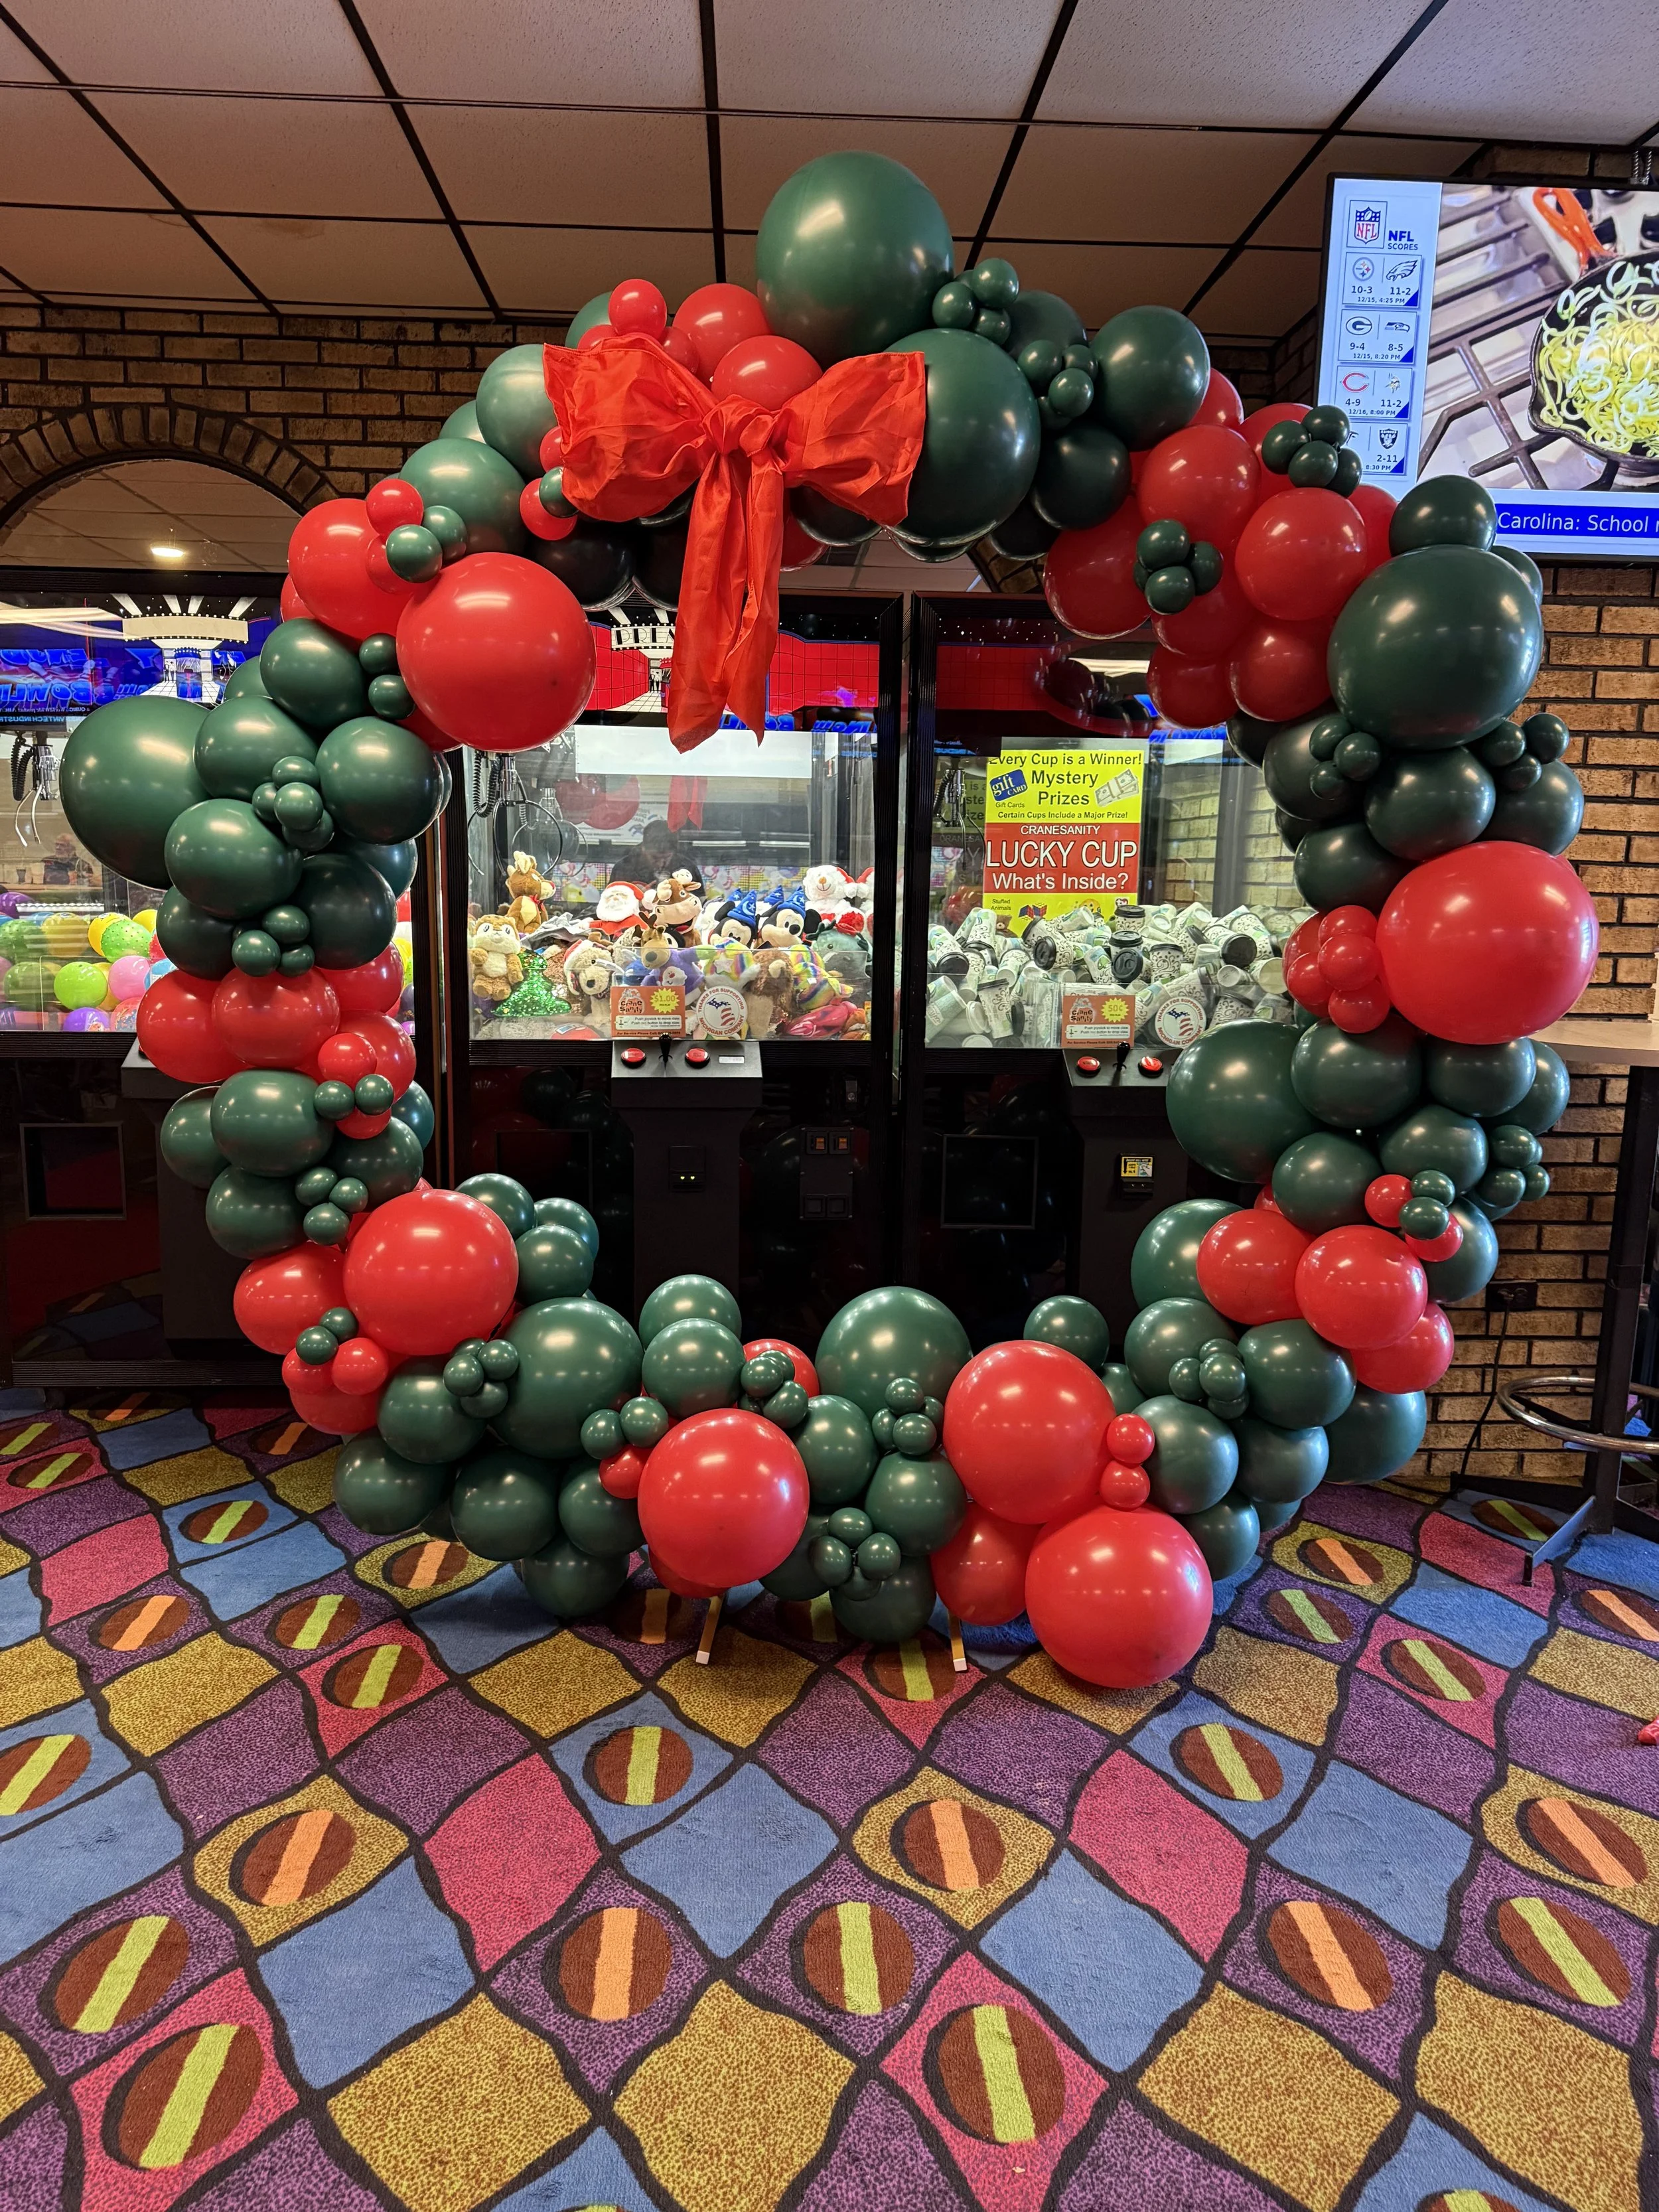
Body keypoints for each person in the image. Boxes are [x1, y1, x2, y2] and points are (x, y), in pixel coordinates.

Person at [609, 819, 702, 895]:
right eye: (655, 858)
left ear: (674, 853)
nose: (661, 864)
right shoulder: (625, 868)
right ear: (643, 848)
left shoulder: (687, 868)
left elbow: (699, 904)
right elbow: (608, 902)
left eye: (666, 858)